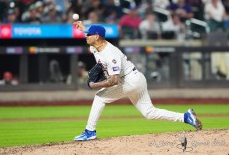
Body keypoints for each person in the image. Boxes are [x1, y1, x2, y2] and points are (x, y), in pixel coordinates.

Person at [73, 21, 202, 141]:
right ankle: (186, 117)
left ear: (96, 36)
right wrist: (84, 28)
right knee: (149, 112)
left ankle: (90, 131)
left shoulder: (111, 54)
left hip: (129, 80)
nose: (86, 36)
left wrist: (94, 85)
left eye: (88, 35)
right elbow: (92, 36)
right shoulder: (95, 47)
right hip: (137, 78)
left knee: (100, 97)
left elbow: (114, 81)